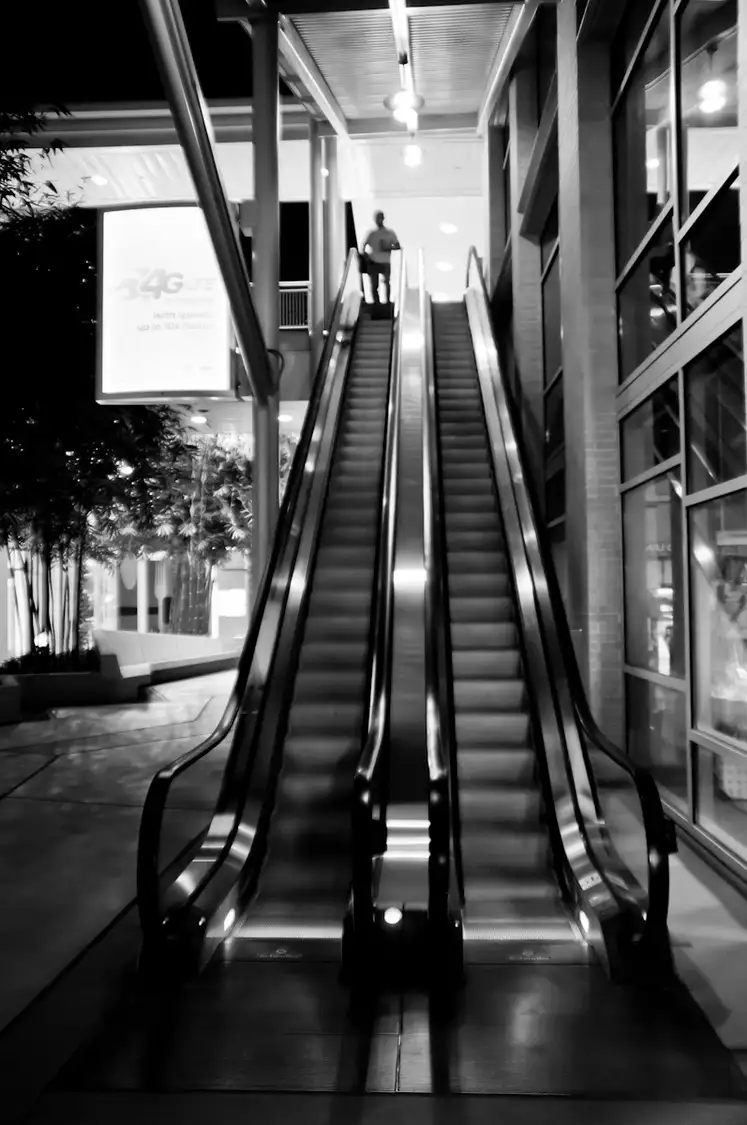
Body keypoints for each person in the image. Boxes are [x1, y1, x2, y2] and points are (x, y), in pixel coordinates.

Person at [361, 211, 400, 306]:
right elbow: (364, 245)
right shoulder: (372, 233)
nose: (378, 220)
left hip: (385, 261)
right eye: (377, 219)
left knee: (387, 282)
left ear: (383, 219)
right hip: (374, 261)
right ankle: (376, 303)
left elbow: (397, 246)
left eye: (380, 218)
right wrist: (366, 256)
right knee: (374, 284)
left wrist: (388, 247)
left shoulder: (389, 233)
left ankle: (387, 303)